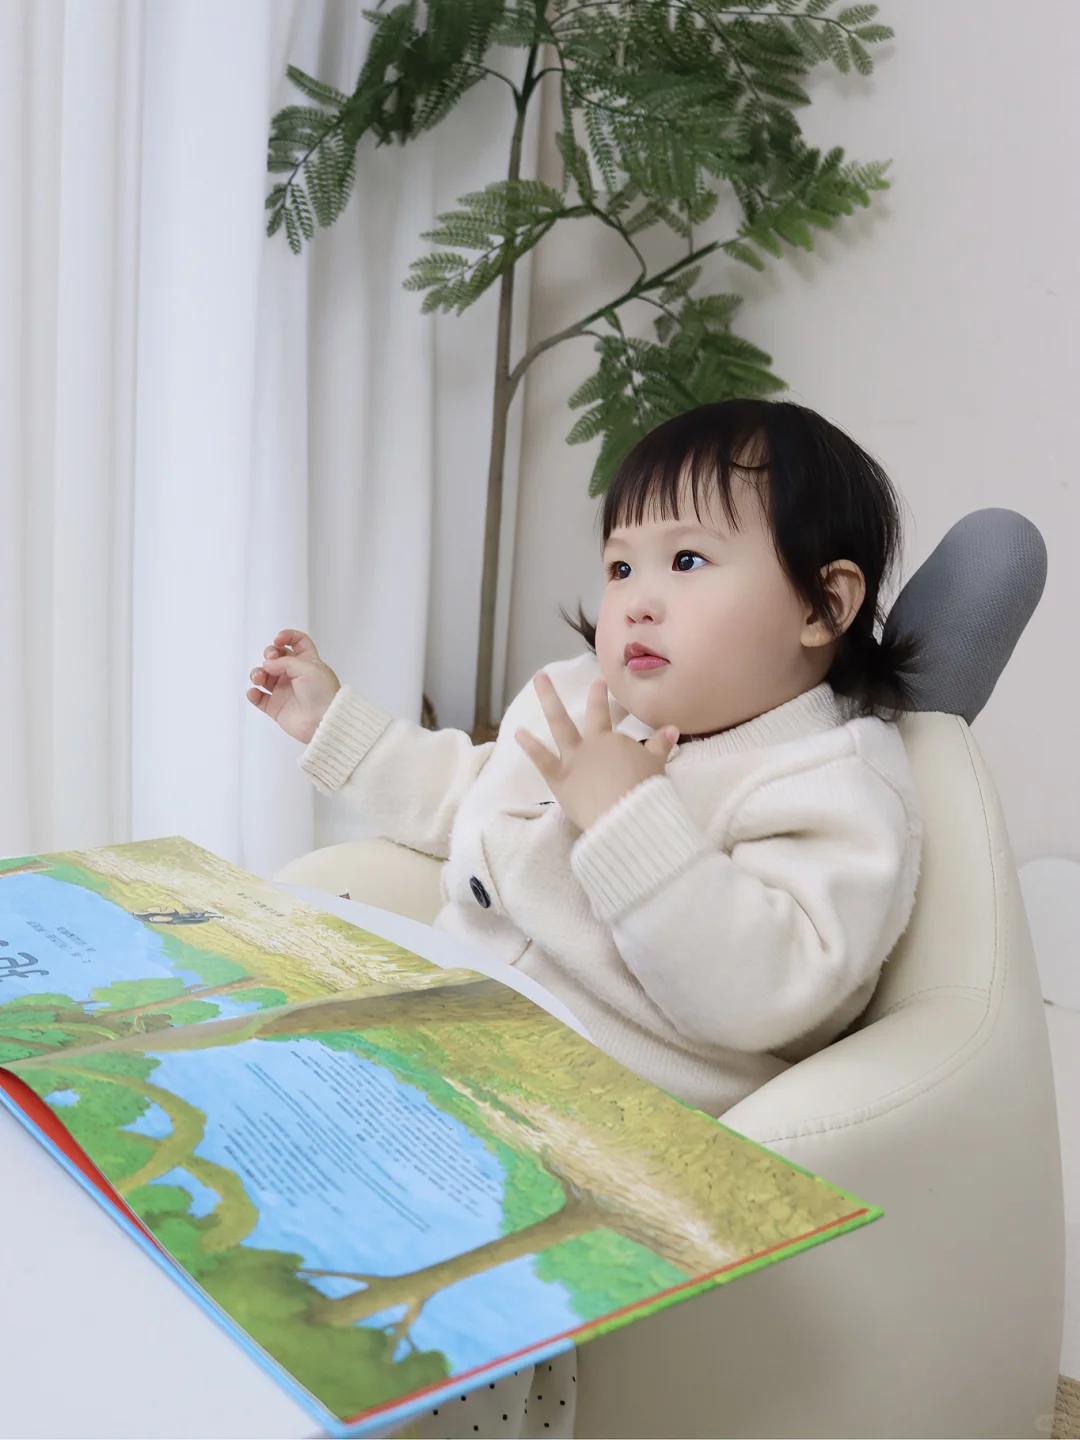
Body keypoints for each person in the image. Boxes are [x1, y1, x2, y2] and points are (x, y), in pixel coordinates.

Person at [246, 398, 924, 1439]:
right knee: (249, 1124)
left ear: (822, 606)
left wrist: (627, 819)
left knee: (439, 1311)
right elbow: (471, 798)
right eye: (620, 567)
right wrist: (336, 724)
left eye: (687, 562)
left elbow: (771, 989)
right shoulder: (581, 698)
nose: (638, 602)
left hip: (578, 1132)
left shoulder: (829, 782)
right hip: (440, 1047)